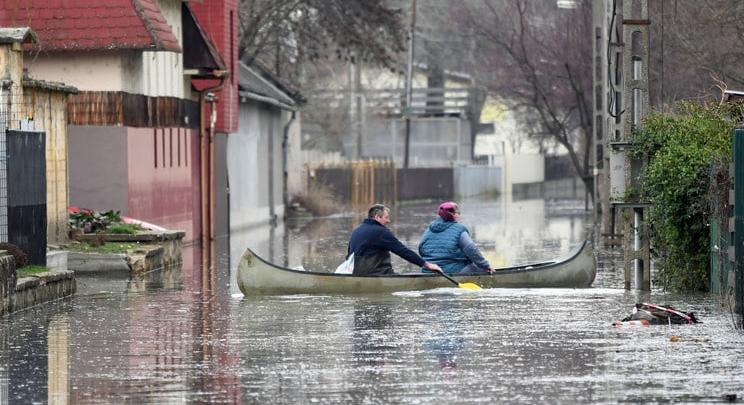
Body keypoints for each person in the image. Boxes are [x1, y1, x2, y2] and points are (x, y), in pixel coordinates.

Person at [348, 204, 443, 276]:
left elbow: (349, 256)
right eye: (386, 217)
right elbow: (403, 251)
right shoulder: (381, 232)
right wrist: (427, 265)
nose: (388, 221)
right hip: (377, 274)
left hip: (354, 273)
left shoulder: (356, 230)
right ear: (377, 217)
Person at [418, 201, 494, 274]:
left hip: (428, 271)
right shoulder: (459, 229)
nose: (459, 215)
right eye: (458, 213)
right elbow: (471, 249)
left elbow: (421, 249)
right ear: (453, 214)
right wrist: (486, 266)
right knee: (480, 267)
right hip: (451, 271)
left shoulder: (429, 229)